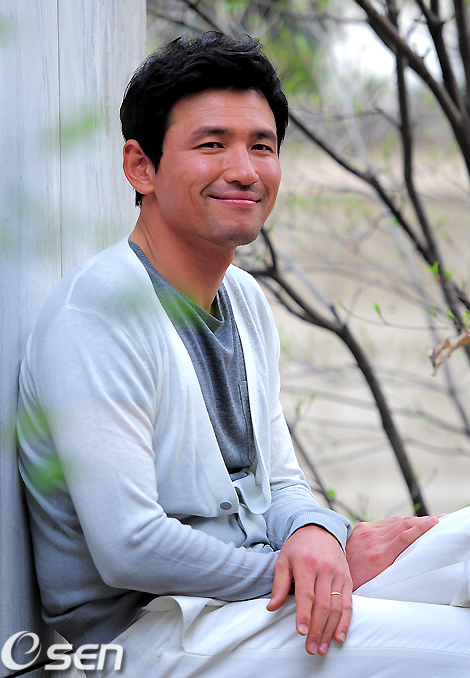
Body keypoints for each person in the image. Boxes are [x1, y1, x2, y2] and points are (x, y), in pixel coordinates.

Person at [17, 32, 470, 677]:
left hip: (249, 601)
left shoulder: (244, 298)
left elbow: (278, 483)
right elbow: (129, 547)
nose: (244, 170)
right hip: (148, 635)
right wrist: (306, 566)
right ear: (141, 167)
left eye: (262, 145)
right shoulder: (97, 313)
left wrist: (317, 534)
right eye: (212, 145)